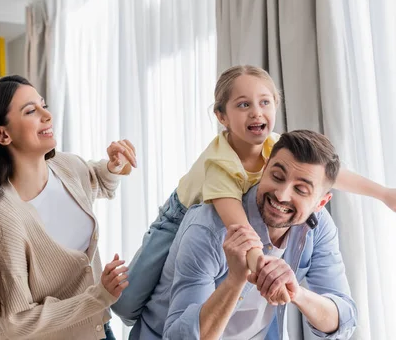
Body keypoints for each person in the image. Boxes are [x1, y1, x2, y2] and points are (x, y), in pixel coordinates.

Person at [112, 65, 396, 321]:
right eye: (243, 104)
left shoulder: (277, 146)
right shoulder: (220, 165)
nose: (256, 112)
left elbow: (331, 175)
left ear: (276, 106)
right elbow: (239, 228)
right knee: (125, 306)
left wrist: (384, 193)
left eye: (265, 102)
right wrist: (263, 269)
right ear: (221, 116)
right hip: (181, 216)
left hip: (229, 216)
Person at [0, 75, 136, 340]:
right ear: (3, 134)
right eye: (31, 111)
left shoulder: (67, 167)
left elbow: (98, 182)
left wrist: (113, 166)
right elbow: (16, 322)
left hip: (98, 332)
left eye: (43, 105)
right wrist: (99, 296)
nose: (46, 116)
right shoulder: (5, 219)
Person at [131, 130, 358, 339]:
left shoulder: (316, 227)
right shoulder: (209, 228)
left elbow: (345, 319)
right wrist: (235, 280)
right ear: (265, 168)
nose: (281, 195)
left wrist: (297, 293)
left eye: (301, 190)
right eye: (277, 176)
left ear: (321, 203)